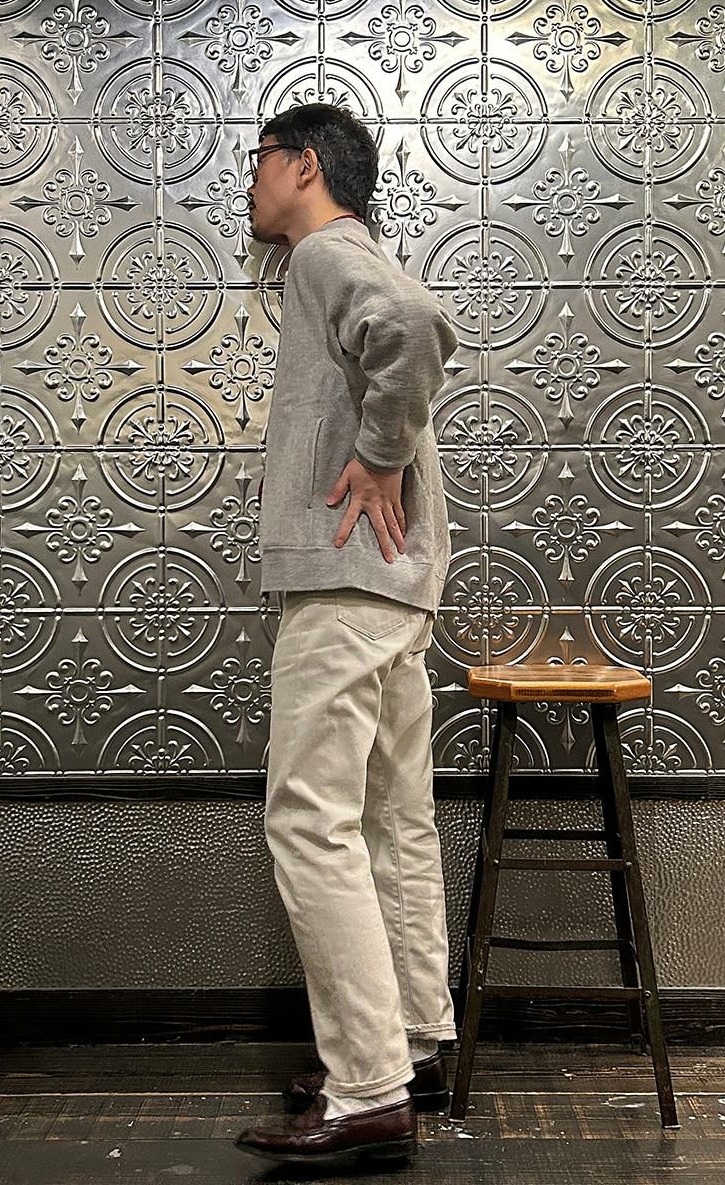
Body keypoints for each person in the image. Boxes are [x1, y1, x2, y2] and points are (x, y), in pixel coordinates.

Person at [232, 103, 459, 1168]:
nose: (249, 184)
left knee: (310, 822)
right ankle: (410, 1045)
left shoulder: (325, 252)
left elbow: (411, 324)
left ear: (305, 166)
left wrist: (375, 456)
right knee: (389, 824)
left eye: (259, 162)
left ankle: (367, 1093)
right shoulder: (344, 253)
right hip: (396, 589)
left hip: (345, 581)